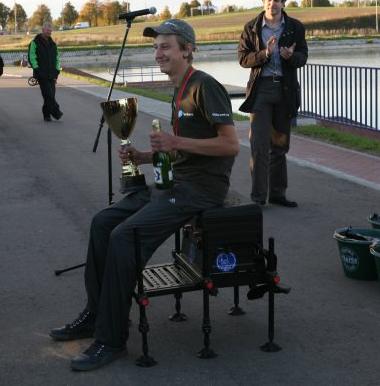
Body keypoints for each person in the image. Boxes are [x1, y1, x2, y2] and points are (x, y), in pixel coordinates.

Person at [49, 19, 239, 372]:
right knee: (103, 222)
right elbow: (182, 151)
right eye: (156, 48)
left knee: (125, 237)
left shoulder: (204, 86)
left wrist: (174, 142)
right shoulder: (179, 88)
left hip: (200, 190)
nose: (158, 53)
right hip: (175, 182)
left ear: (187, 49)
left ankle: (111, 339)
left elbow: (231, 145)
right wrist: (144, 157)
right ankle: (95, 314)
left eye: (166, 46)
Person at [237, 0, 308, 207]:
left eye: (277, 0)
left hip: (285, 90)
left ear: (283, 3)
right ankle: (258, 198)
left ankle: (277, 194)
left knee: (280, 145)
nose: (272, 4)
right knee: (259, 146)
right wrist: (265, 53)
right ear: (263, 1)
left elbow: (303, 57)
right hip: (261, 90)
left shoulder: (295, 27)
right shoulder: (252, 28)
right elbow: (243, 59)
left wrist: (290, 56)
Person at [28, 24, 63, 121]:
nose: (49, 32)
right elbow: (32, 57)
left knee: (51, 94)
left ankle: (46, 114)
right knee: (48, 94)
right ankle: (57, 112)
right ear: (43, 30)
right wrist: (37, 69)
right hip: (41, 74)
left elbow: (57, 58)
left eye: (50, 30)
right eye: (47, 30)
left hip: (52, 74)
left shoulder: (53, 44)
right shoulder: (35, 43)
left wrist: (57, 70)